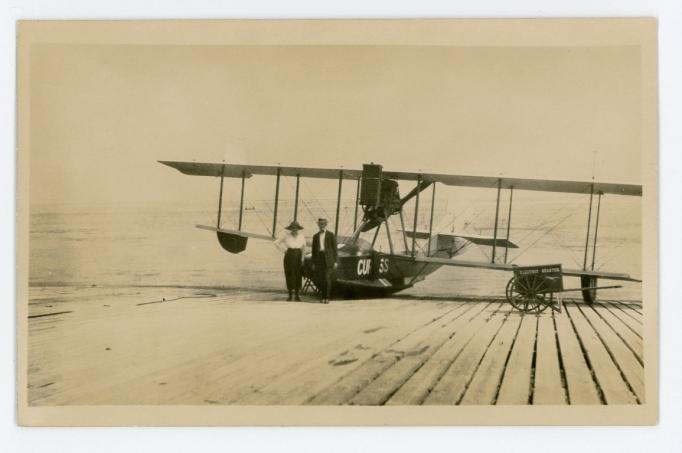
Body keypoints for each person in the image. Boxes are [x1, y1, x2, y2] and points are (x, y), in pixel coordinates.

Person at [274, 220, 306, 301]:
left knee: (298, 275)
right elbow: (276, 243)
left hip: (298, 255)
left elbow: (304, 248)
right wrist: (284, 250)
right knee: (289, 274)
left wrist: (302, 258)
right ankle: (290, 295)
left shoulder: (301, 236)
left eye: (296, 228)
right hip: (289, 255)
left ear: (298, 229)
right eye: (293, 228)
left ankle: (297, 295)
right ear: (290, 229)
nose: (294, 229)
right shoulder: (286, 236)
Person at [311, 218, 338, 304]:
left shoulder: (331, 235)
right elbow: (313, 251)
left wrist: (336, 261)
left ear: (326, 224)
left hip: (329, 259)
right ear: (318, 225)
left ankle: (327, 297)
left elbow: (335, 249)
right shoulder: (315, 236)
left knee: (327, 278)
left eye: (323, 224)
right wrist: (313, 263)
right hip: (319, 258)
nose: (321, 225)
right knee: (321, 278)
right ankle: (323, 297)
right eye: (320, 224)